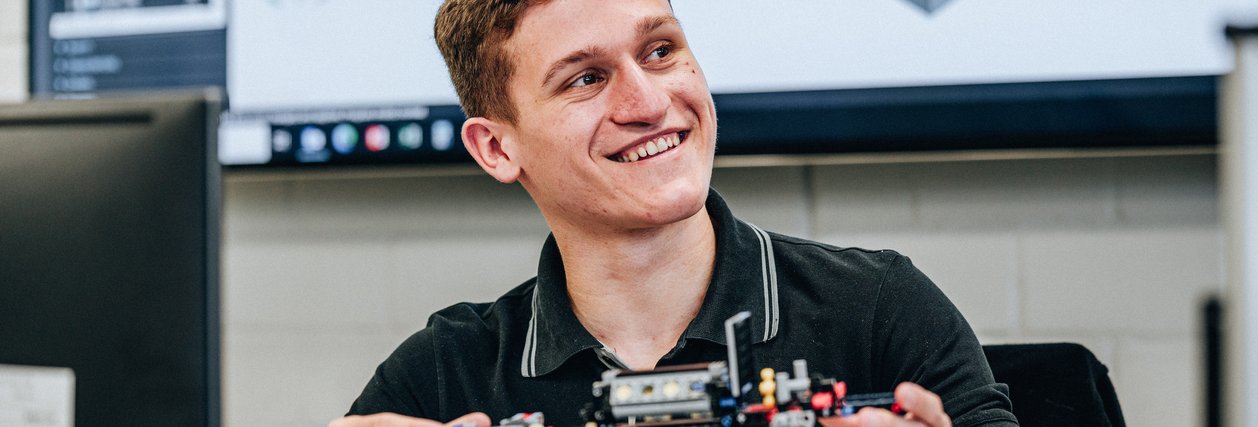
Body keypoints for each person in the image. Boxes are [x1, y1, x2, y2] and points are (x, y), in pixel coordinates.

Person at [331, 1, 1018, 426]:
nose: (649, 101)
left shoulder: (878, 309)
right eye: (586, 78)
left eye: (660, 51)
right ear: (496, 147)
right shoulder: (447, 372)